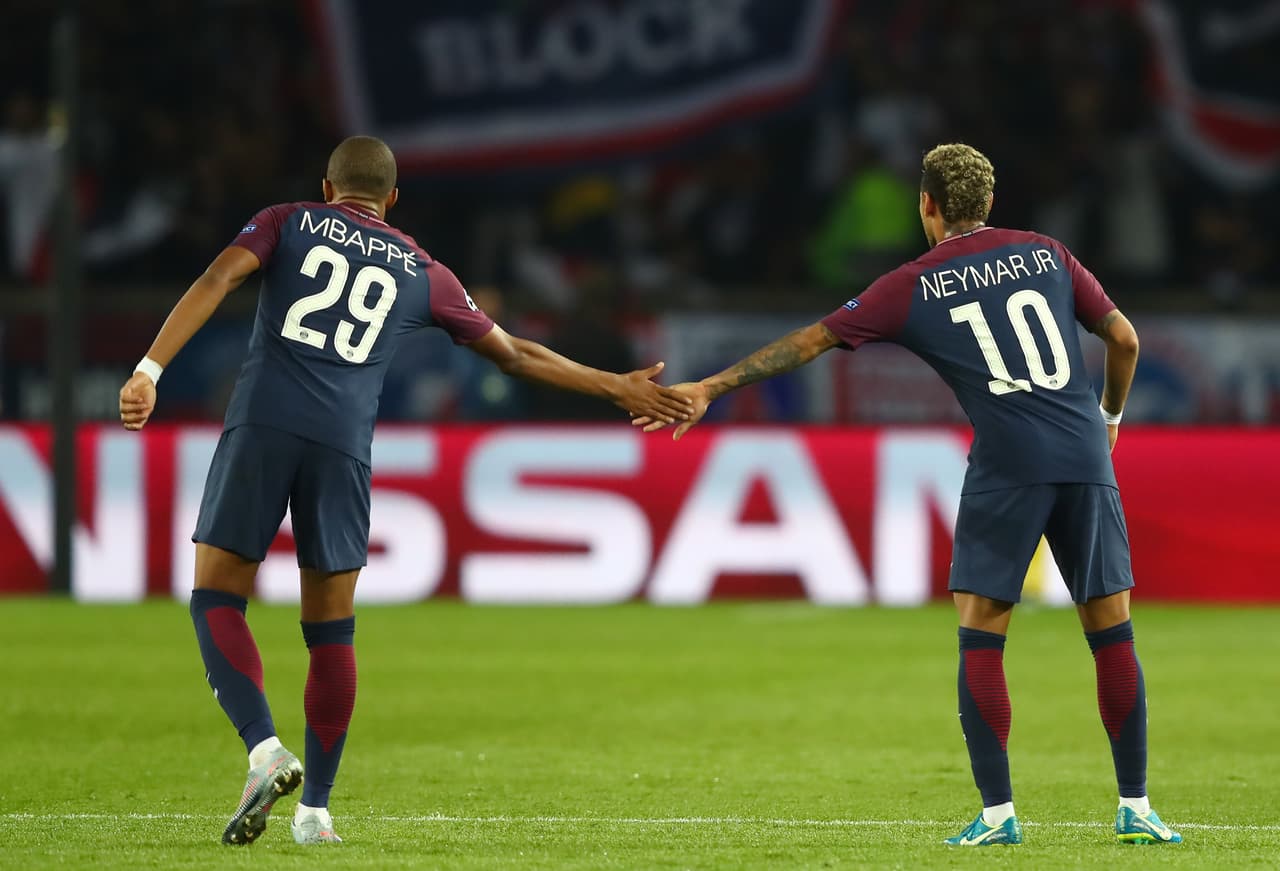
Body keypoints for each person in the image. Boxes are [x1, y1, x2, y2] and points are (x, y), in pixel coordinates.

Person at [117, 136, 692, 847]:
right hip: (342, 447)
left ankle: (264, 749)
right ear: (392, 198)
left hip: (262, 425)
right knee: (331, 629)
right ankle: (316, 814)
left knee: (216, 595)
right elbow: (515, 354)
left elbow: (217, 278)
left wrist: (149, 369)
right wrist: (615, 386)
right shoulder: (423, 270)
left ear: (327, 187)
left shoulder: (286, 221)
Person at [637, 143, 1181, 847]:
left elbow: (811, 341)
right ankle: (1137, 807)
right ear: (989, 202)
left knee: (982, 634)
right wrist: (1108, 417)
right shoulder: (1047, 253)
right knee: (1111, 633)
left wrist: (710, 386)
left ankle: (998, 817)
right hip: (1084, 457)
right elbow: (1124, 339)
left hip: (1008, 464)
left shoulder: (914, 284)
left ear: (926, 205)